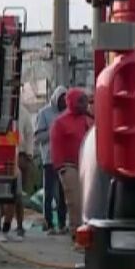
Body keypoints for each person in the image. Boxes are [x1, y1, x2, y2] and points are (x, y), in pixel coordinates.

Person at [49, 88, 93, 233]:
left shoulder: (87, 119)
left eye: (85, 101)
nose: (85, 105)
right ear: (72, 102)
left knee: (87, 201)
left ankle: (84, 231)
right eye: (81, 101)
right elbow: (56, 146)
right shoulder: (60, 122)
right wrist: (61, 167)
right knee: (74, 201)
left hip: (85, 165)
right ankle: (76, 232)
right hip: (68, 166)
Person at [34, 86, 68, 234]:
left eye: (66, 100)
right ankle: (48, 223)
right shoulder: (44, 113)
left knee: (63, 193)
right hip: (49, 158)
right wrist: (54, 131)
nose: (64, 103)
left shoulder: (68, 114)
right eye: (61, 100)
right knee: (49, 193)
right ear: (55, 99)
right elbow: (38, 138)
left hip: (64, 158)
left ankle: (61, 223)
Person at [0, 102, 35, 241]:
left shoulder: (23, 112)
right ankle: (3, 223)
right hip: (2, 154)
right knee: (5, 192)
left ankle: (15, 224)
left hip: (18, 155)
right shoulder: (0, 110)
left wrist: (28, 154)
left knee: (17, 193)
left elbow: (29, 133)